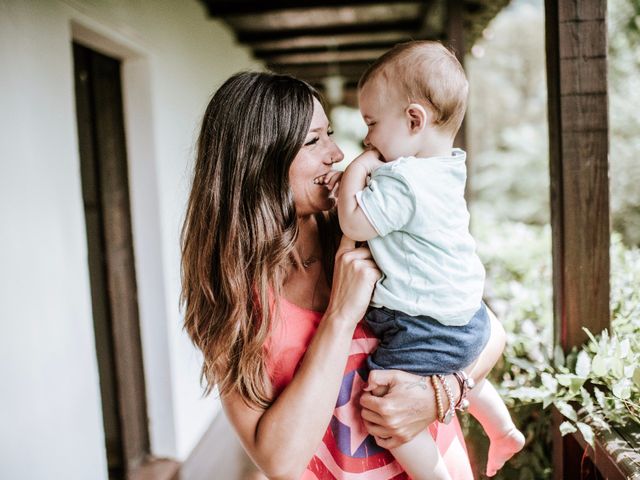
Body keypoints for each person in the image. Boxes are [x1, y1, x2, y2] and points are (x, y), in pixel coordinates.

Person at [181, 70, 507, 480]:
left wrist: (437, 395)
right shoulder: (228, 296)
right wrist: (339, 316)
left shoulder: (366, 228)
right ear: (260, 161)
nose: (336, 153)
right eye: (313, 140)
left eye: (330, 134)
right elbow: (280, 462)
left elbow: (489, 332)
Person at [337, 41, 525, 479]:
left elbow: (353, 222)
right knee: (457, 366)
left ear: (414, 119)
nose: (367, 138)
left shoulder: (403, 180)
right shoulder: (448, 167)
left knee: (386, 412)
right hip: (466, 316)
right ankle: (501, 429)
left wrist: (357, 168)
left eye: (371, 124)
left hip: (421, 323)